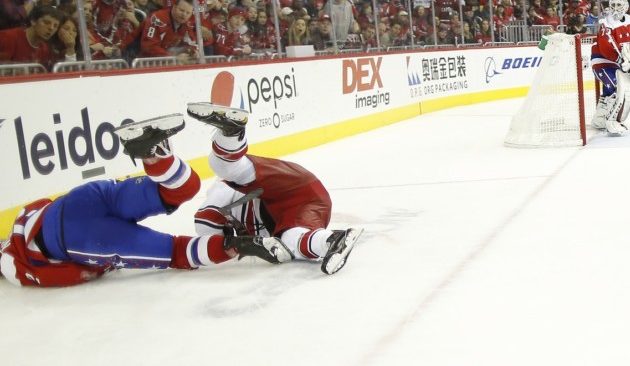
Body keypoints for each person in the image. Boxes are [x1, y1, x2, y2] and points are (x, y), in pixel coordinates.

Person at [0, 114, 287, 287]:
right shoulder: (18, 225)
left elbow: (70, 274)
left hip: (80, 238)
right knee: (175, 190)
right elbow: (42, 203)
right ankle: (156, 156)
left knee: (175, 251)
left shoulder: (13, 267)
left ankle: (233, 245)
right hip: (85, 198)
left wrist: (100, 267)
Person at [186, 102, 361, 275]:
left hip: (291, 188)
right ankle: (332, 240)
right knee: (290, 240)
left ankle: (231, 133)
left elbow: (204, 222)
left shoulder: (220, 190)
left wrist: (232, 243)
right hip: (305, 208)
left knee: (226, 168)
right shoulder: (249, 230)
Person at [589, 0, 630, 136]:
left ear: (625, 5)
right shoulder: (606, 24)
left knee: (609, 91)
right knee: (615, 87)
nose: (615, 8)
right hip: (602, 61)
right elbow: (605, 47)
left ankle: (598, 120)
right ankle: (611, 121)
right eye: (612, 5)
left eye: (618, 5)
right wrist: (620, 60)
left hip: (617, 62)